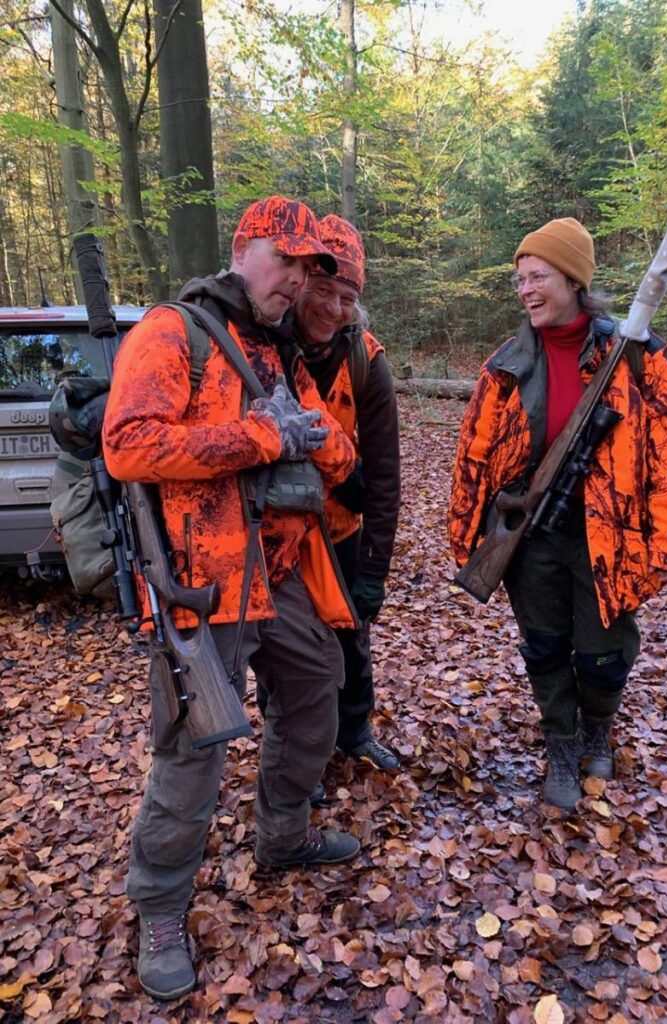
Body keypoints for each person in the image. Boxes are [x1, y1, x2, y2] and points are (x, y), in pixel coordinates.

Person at [103, 196, 362, 1001]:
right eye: (284, 262)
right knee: (193, 752)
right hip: (201, 585)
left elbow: (337, 453)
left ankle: (283, 836)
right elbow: (129, 445)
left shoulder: (272, 352)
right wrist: (263, 436)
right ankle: (160, 907)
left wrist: (319, 440)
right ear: (245, 249)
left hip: (277, 572)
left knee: (319, 689)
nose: (294, 281)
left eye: (309, 270)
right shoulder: (170, 332)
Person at [448, 216, 667, 811]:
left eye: (538, 276)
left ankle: (599, 726)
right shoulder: (507, 362)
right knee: (545, 647)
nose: (526, 289)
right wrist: (470, 530)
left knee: (605, 653)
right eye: (519, 280)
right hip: (530, 536)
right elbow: (474, 453)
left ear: (574, 280)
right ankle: (562, 741)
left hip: (611, 535)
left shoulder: (637, 354)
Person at [286, 214, 401, 776]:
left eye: (347, 296)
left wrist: (374, 570)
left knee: (351, 636)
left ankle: (354, 731)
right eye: (322, 289)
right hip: (275, 533)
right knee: (286, 649)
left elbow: (385, 476)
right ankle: (293, 756)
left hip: (341, 531)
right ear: (298, 282)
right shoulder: (261, 347)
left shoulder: (366, 361)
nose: (333, 308)